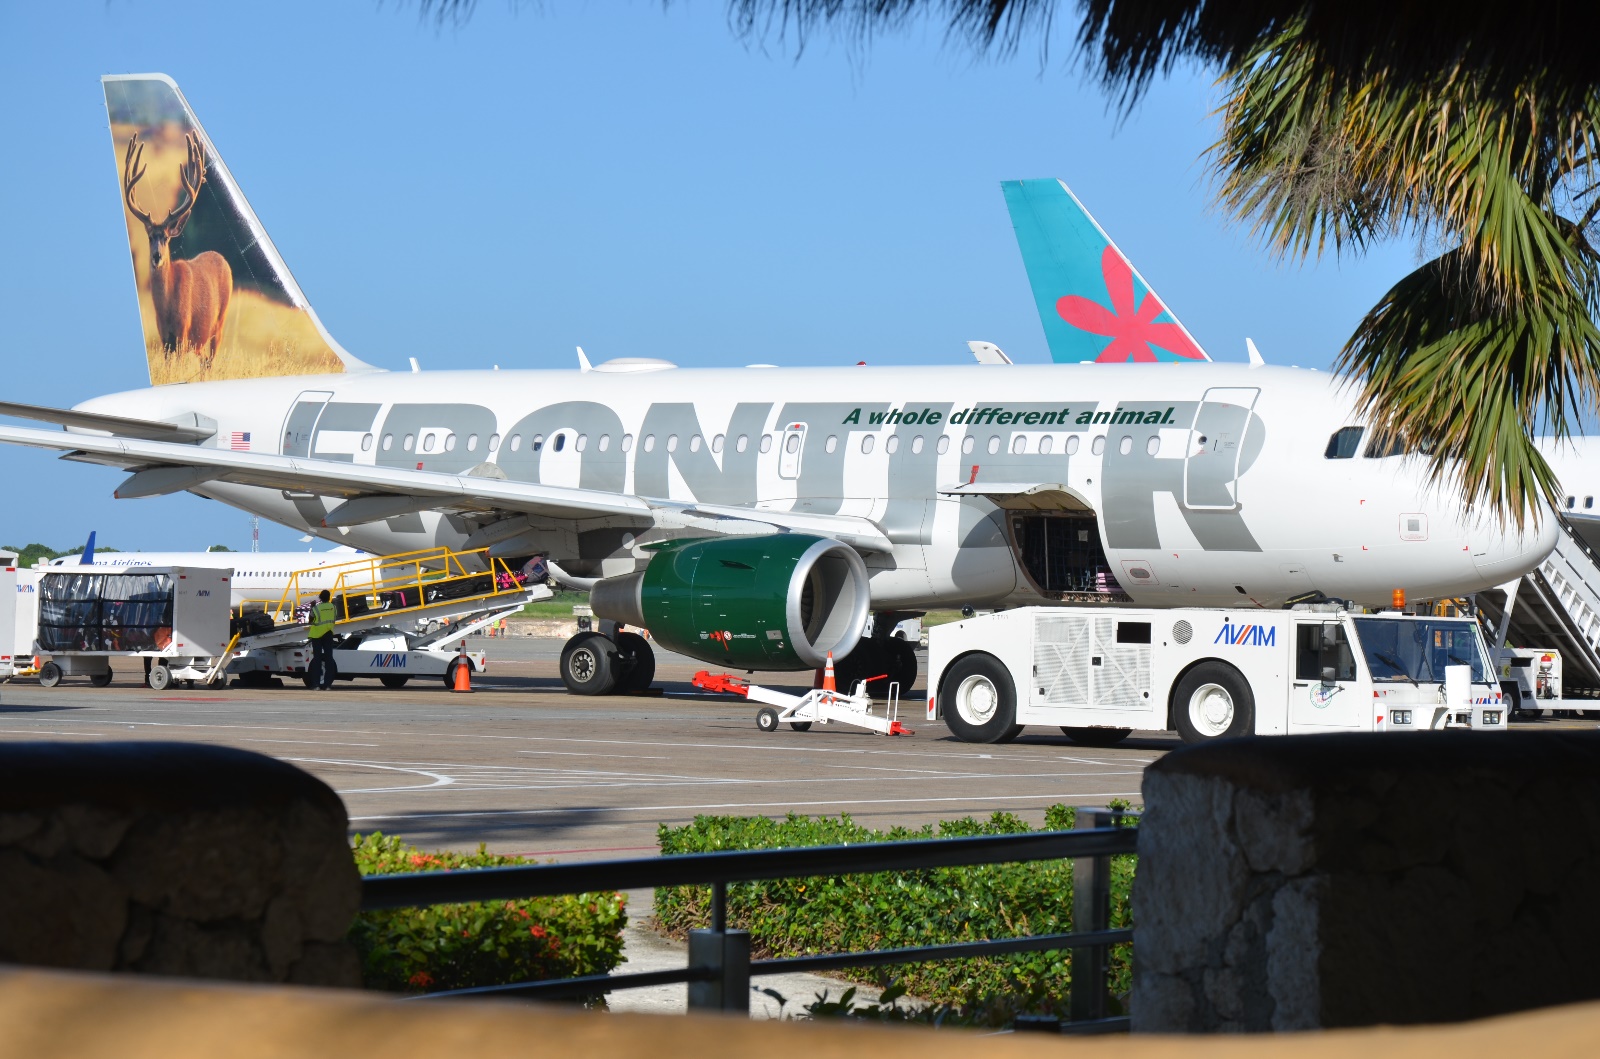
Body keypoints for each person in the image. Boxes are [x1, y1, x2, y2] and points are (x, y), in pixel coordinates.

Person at [307, 589, 338, 690]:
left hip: (317, 635)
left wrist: (312, 606)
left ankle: (316, 685)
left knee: (317, 660)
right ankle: (328, 685)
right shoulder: (333, 607)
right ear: (329, 598)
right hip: (328, 634)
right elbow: (334, 617)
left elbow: (310, 619)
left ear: (320, 598)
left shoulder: (316, 608)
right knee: (329, 659)